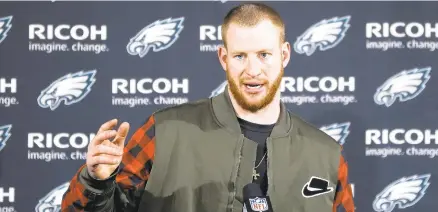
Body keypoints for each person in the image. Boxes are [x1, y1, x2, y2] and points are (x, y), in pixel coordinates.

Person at [61, 2, 355, 212]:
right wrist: (96, 182)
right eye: (240, 56)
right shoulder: (165, 132)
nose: (253, 69)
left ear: (285, 55)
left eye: (264, 54)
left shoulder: (327, 155)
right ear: (223, 58)